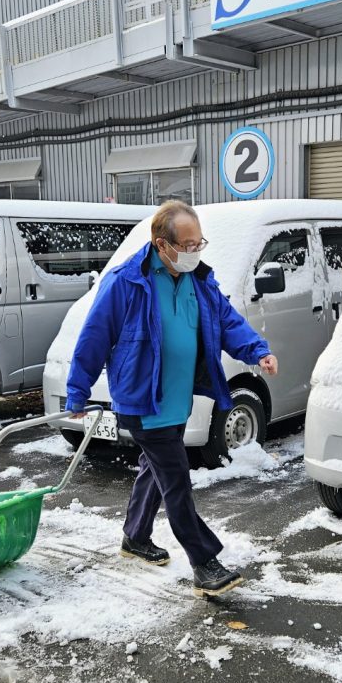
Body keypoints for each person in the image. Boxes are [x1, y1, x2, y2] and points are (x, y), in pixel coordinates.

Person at [66, 200, 278, 597]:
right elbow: (93, 338)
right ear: (162, 245)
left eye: (200, 243)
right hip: (143, 402)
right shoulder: (125, 282)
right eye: (188, 244)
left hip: (179, 400)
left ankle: (135, 537)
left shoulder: (198, 278)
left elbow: (227, 321)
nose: (195, 252)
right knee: (176, 479)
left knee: (156, 469)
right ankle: (204, 563)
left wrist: (256, 350)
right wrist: (77, 392)